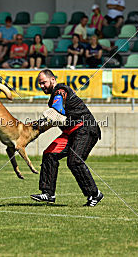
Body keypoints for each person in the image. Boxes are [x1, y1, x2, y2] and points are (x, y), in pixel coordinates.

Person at [30, 69, 103, 207]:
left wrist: (48, 115)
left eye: (43, 82)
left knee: (74, 161)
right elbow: (54, 120)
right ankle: (48, 193)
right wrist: (34, 130)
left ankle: (94, 194)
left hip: (85, 129)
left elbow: (57, 109)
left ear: (52, 80)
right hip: (71, 132)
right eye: (39, 84)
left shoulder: (60, 90)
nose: (41, 86)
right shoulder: (53, 97)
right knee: (49, 154)